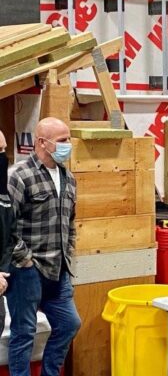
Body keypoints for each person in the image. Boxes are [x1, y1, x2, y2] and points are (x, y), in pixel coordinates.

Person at [6, 117, 81, 376]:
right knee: (24, 333)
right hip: (28, 270)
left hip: (59, 269)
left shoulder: (68, 178)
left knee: (69, 323)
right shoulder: (18, 176)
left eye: (69, 139)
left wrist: (68, 250)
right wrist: (24, 259)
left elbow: (70, 221)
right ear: (41, 142)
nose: (68, 145)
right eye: (62, 141)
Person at [0, 130, 14, 337]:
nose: (3, 156)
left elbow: (10, 234)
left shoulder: (4, 192)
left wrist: (2, 270)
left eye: (4, 149)